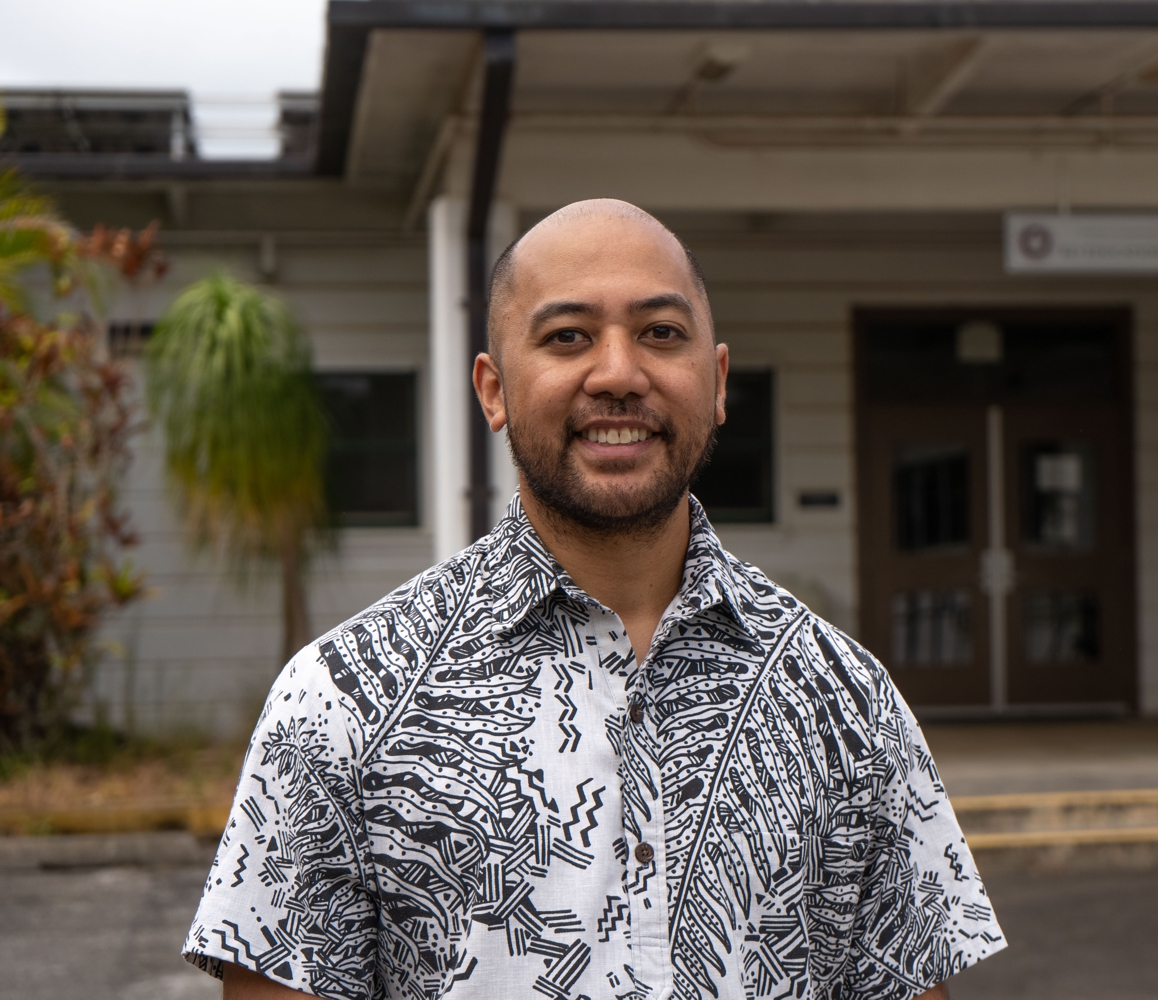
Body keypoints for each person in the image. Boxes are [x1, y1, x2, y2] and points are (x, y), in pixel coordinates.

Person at [184, 199, 1005, 1000]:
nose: (618, 373)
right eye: (568, 336)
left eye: (661, 333)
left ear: (716, 382)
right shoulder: (343, 701)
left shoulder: (846, 700)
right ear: (494, 389)